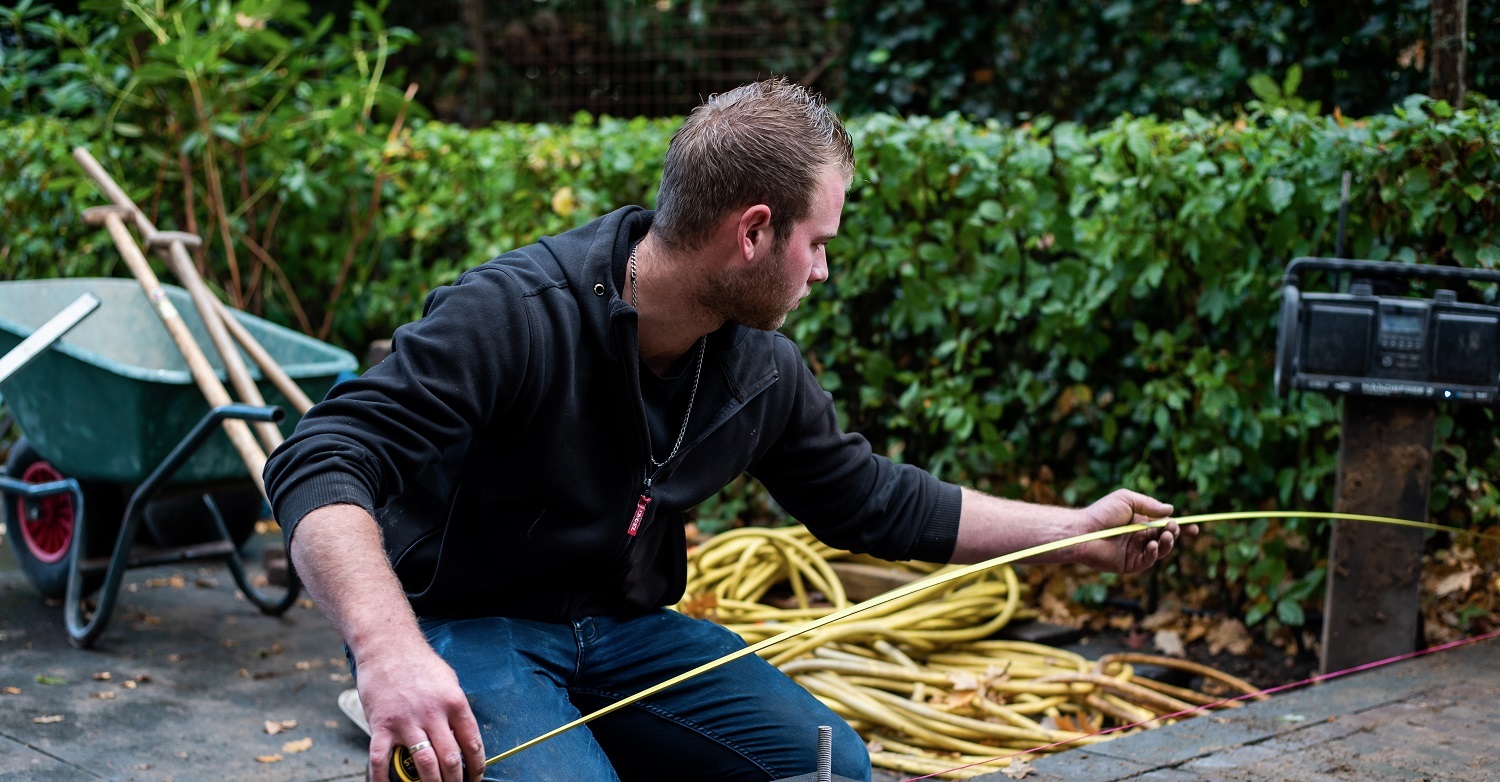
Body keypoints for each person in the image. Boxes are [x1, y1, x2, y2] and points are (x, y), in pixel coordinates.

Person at [264, 77, 1182, 782]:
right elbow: (318, 459)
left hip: (624, 633)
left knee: (827, 768)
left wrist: (1071, 534)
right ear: (751, 233)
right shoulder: (513, 314)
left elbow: (869, 500)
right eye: (817, 243)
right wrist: (389, 653)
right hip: (469, 627)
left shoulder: (755, 364)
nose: (822, 271)